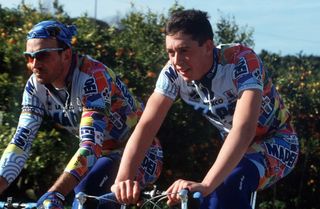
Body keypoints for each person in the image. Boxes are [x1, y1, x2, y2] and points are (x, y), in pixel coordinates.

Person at [111, 9, 299, 209]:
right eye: (171, 52)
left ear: (208, 46)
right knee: (209, 197)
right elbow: (146, 126)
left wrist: (207, 184)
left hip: (278, 141)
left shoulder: (241, 60)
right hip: (235, 147)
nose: (176, 61)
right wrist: (121, 180)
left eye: (184, 50)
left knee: (223, 188)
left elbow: (244, 130)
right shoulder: (172, 73)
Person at [0, 20, 163, 209]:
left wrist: (55, 193)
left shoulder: (93, 77)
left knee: (85, 196)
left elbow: (90, 145)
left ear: (66, 55)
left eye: (42, 55)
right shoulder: (35, 86)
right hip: (100, 156)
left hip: (140, 154)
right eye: (29, 57)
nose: (34, 64)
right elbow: (21, 140)